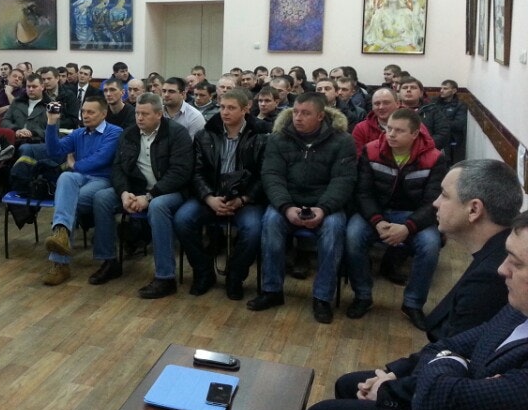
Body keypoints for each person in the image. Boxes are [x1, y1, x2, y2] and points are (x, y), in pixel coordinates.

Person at [293, 204, 528, 410]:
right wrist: (455, 366)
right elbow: (443, 347)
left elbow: (442, 400)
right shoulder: (518, 311)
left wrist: (403, 384)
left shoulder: (503, 293)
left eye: (516, 262)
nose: (502, 269)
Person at [248, 92, 356, 324]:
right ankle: (272, 290)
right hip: (288, 201)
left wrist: (323, 209)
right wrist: (286, 207)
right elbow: (272, 176)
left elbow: (343, 180)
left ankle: (322, 298)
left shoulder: (342, 140)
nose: (297, 117)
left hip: (325, 204)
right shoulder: (279, 138)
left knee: (334, 229)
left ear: (320, 116)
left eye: (305, 113)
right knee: (271, 222)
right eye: (295, 112)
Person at [345, 108, 447, 327]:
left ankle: (413, 303)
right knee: (353, 236)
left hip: (414, 215)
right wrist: (377, 221)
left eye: (399, 131)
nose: (391, 134)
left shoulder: (435, 158)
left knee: (430, 244)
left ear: (415, 134)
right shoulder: (371, 150)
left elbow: (432, 202)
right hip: (377, 212)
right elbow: (363, 193)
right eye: (389, 128)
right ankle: (362, 295)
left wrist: (408, 227)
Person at [91, 93, 193, 298]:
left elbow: (180, 173)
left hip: (170, 191)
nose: (139, 118)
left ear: (159, 114)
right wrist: (123, 193)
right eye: (137, 113)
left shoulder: (176, 133)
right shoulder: (129, 134)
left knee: (158, 206)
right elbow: (118, 168)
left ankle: (165, 277)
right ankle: (109, 261)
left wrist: (149, 197)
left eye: (145, 114)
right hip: (136, 190)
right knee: (102, 198)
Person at [174, 88, 267, 300]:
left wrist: (243, 199)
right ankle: (203, 271)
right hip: (211, 196)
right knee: (182, 219)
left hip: (245, 199)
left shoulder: (261, 137)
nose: (225, 112)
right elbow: (196, 172)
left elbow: (264, 176)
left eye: (231, 108)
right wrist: (209, 198)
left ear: (245, 109)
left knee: (253, 229)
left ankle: (235, 276)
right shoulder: (205, 135)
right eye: (222, 107)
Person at [41, 96, 122, 285]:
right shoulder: (78, 133)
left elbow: (101, 159)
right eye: (83, 111)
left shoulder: (114, 132)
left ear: (103, 114)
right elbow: (54, 152)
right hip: (79, 179)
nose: (85, 115)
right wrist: (51, 123)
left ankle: (60, 263)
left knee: (67, 202)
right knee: (65, 177)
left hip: (102, 180)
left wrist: (74, 164)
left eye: (91, 112)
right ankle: (61, 236)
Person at [397, 77, 450, 151]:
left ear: (421, 93)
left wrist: (422, 146)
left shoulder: (433, 110)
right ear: (399, 93)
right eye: (405, 88)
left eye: (413, 87)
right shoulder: (392, 110)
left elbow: (443, 133)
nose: (408, 90)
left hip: (426, 151)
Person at [434, 78, 468, 164]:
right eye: (441, 88)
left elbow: (459, 124)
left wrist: (440, 123)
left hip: (452, 138)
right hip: (436, 136)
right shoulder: (435, 102)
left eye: (445, 88)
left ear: (454, 91)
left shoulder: (460, 105)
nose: (441, 91)